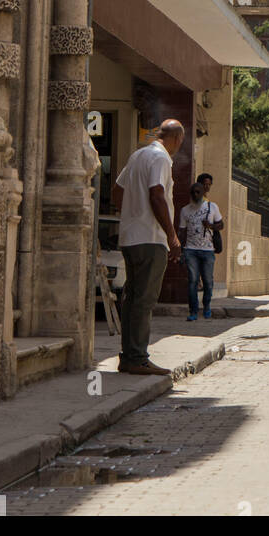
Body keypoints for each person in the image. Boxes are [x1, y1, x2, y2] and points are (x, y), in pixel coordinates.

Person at [112, 120, 184, 375]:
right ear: (176, 139)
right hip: (151, 239)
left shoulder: (137, 155)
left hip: (130, 237)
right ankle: (137, 357)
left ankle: (129, 354)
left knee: (132, 299)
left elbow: (116, 193)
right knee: (144, 301)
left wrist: (133, 213)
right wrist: (172, 236)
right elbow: (157, 194)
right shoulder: (161, 158)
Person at [178, 180, 223, 320]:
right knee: (192, 281)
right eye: (193, 192)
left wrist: (210, 226)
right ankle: (193, 311)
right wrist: (180, 251)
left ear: (203, 193)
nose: (195, 195)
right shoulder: (185, 210)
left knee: (208, 281)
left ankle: (207, 306)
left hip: (208, 250)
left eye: (198, 192)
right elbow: (182, 231)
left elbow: (221, 225)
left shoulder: (212, 207)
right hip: (190, 250)